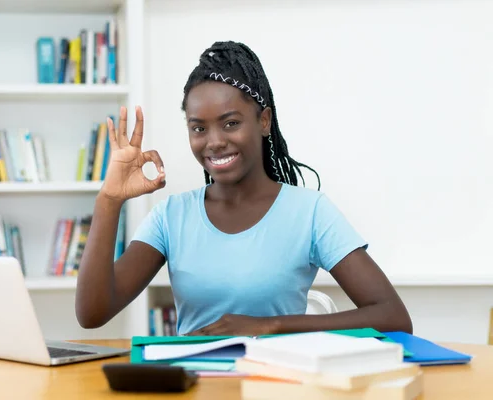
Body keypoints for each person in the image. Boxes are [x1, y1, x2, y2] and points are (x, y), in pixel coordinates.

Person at [75, 41, 412, 336]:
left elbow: (392, 317)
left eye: (231, 123)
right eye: (199, 128)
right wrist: (109, 200)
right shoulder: (171, 216)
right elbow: (92, 314)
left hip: (276, 384)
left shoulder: (310, 212)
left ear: (264, 121)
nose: (215, 142)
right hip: (195, 386)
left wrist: (269, 326)